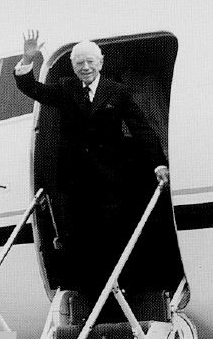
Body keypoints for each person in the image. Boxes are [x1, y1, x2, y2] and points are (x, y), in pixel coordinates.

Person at [14, 30, 174, 300]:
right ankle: (92, 297)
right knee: (82, 241)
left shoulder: (116, 91)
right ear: (74, 67)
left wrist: (158, 163)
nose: (85, 68)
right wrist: (27, 59)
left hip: (111, 180)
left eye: (90, 62)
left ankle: (122, 294)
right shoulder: (66, 88)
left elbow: (141, 129)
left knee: (113, 236)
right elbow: (32, 89)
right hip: (76, 183)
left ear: (100, 63)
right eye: (79, 63)